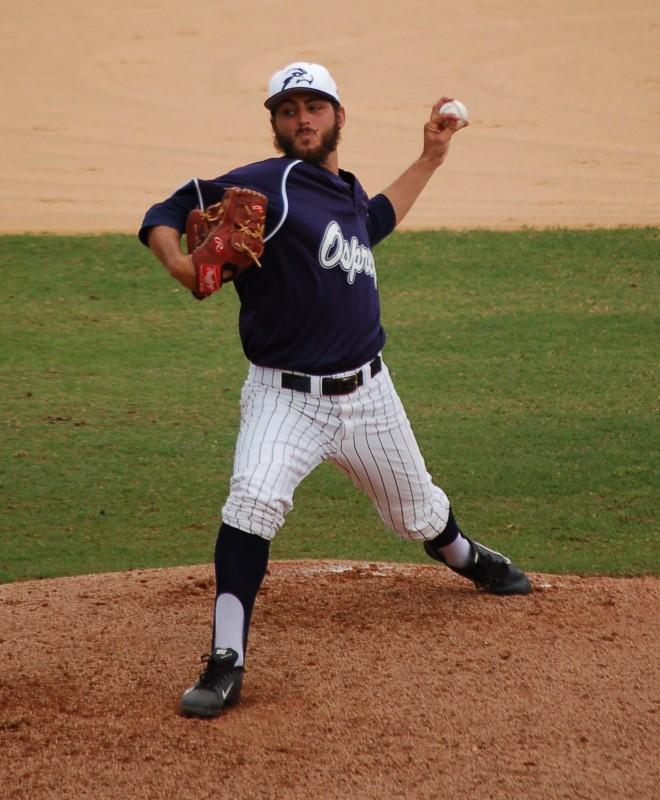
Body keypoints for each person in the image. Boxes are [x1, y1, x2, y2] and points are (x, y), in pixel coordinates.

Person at [138, 61, 531, 719]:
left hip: (370, 397)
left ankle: (467, 555)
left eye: (314, 107)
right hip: (283, 398)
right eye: (288, 110)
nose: (303, 119)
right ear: (276, 125)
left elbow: (373, 221)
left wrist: (430, 157)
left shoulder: (343, 191)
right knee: (251, 504)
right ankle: (226, 659)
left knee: (419, 515)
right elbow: (171, 205)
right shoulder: (272, 183)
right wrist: (178, 260)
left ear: (338, 116)